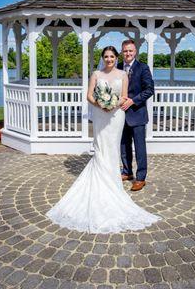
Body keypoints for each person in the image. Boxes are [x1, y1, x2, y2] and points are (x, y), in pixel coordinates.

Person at [46, 46, 161, 233]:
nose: (110, 59)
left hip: (122, 113)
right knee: (109, 147)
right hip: (102, 115)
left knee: (132, 146)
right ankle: (122, 173)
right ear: (106, 57)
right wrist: (101, 103)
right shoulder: (97, 74)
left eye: (113, 56)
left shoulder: (133, 71)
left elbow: (132, 93)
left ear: (131, 53)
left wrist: (115, 103)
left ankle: (140, 177)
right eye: (107, 56)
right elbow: (89, 95)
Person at [117, 39, 154, 191]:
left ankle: (140, 178)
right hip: (120, 115)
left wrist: (133, 101)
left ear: (135, 51)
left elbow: (149, 90)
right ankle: (127, 171)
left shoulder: (143, 68)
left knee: (139, 147)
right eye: (125, 51)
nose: (128, 53)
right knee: (123, 145)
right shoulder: (117, 68)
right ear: (121, 52)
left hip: (137, 114)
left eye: (130, 50)